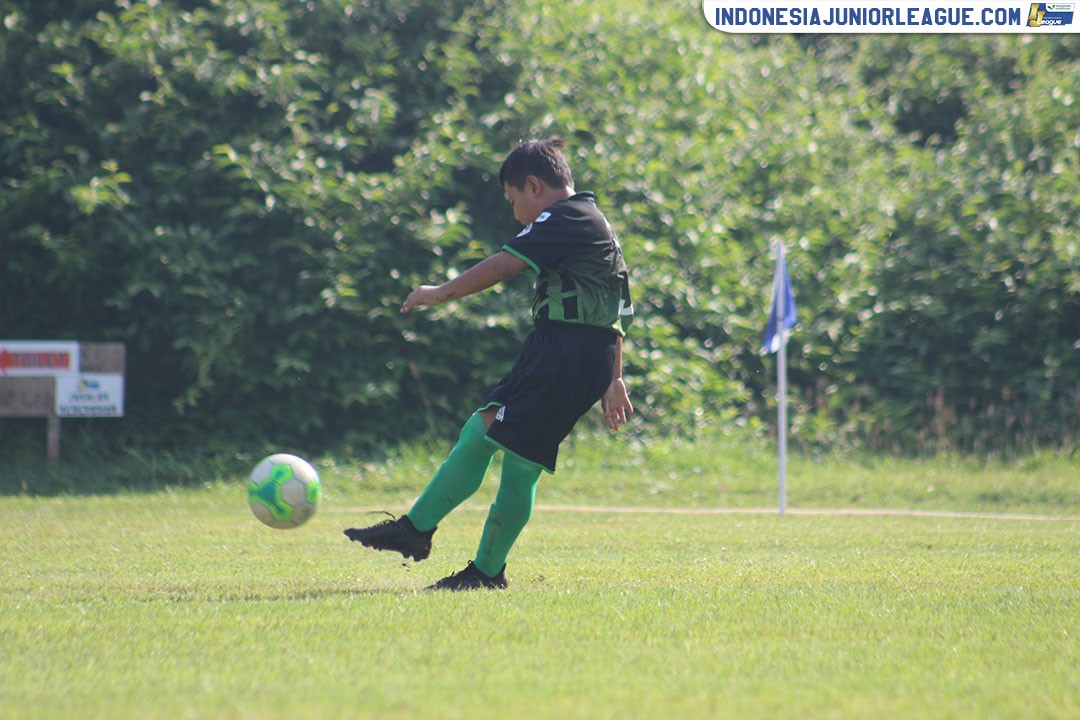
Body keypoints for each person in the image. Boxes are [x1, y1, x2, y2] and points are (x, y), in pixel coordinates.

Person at [344, 138, 634, 591]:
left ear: (534, 186)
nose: (513, 210)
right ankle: (417, 530)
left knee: (518, 461)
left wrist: (440, 292)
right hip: (558, 349)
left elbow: (504, 265)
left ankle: (481, 569)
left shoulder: (565, 217)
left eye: (512, 199)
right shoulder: (589, 220)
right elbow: (616, 304)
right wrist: (613, 376)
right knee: (480, 430)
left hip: (569, 354)